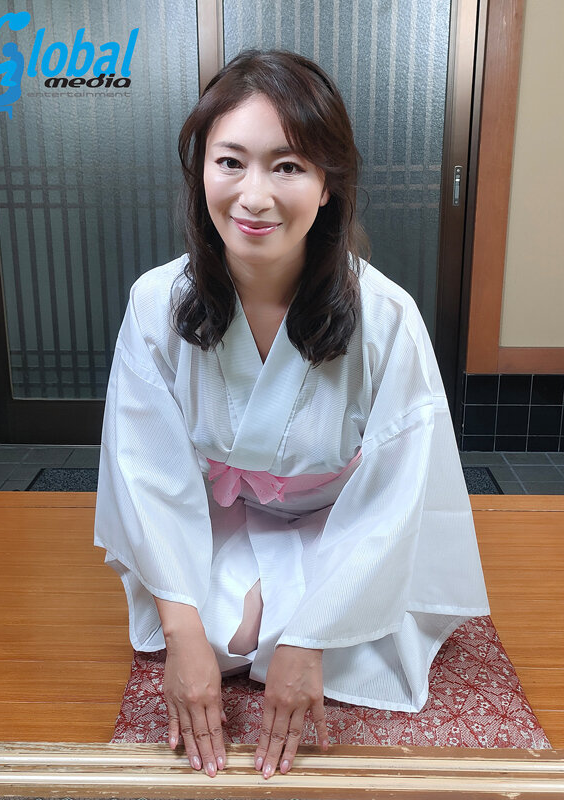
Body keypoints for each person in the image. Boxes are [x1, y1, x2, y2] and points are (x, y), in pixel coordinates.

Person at [94, 49, 490, 780]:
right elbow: (145, 474)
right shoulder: (156, 303)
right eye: (230, 162)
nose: (254, 196)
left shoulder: (385, 316)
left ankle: (307, 622)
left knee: (305, 644)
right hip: (222, 515)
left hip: (343, 525)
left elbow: (398, 494)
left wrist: (309, 642)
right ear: (200, 171)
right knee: (216, 634)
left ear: (328, 184)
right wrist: (182, 632)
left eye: (287, 166)